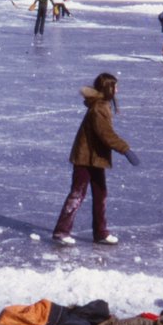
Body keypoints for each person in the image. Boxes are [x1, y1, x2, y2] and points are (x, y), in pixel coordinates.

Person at [52, 73, 138, 247]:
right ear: (108, 88)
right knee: (77, 194)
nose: (118, 90)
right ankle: (61, 231)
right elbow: (106, 134)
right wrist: (125, 149)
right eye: (115, 87)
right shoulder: (98, 108)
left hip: (96, 158)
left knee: (100, 194)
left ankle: (100, 232)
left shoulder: (102, 105)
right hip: (85, 158)